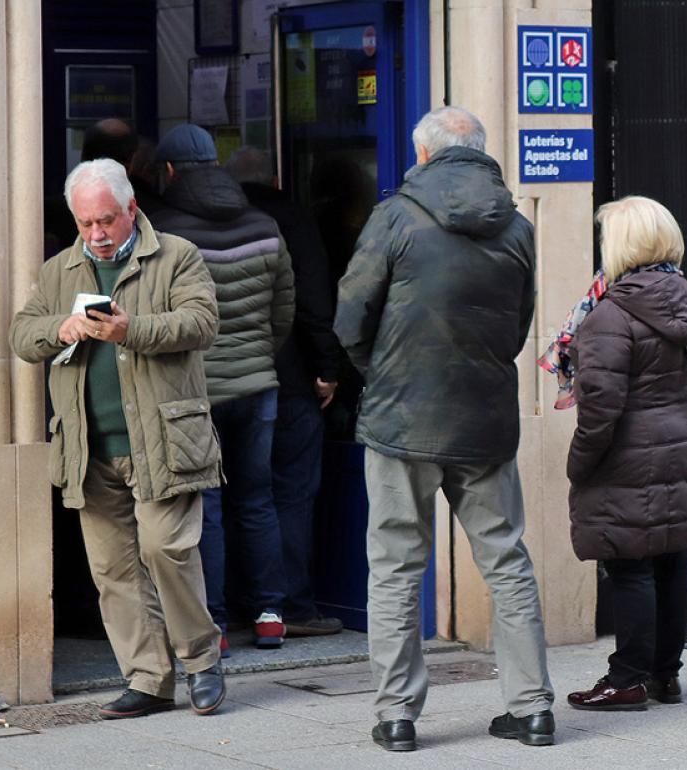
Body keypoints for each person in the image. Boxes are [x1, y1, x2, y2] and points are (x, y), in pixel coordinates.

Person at [335, 106, 554, 751]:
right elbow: (519, 324)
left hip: (402, 415)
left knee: (397, 567)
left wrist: (382, 372)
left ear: (423, 155)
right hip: (484, 417)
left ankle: (398, 716)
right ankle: (533, 706)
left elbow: (351, 316)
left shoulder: (395, 214)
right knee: (507, 560)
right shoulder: (515, 224)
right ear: (479, 154)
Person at [9, 158, 226, 719]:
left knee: (166, 550)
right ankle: (149, 678)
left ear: (132, 208)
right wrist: (59, 327)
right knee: (113, 569)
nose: (97, 235)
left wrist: (135, 330)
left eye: (106, 220)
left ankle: (201, 661)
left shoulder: (176, 255)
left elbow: (202, 322)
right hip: (89, 446)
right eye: (85, 224)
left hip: (161, 438)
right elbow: (21, 334)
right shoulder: (60, 270)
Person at [148, 124, 295, 652]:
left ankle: (212, 620)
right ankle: (270, 613)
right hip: (259, 387)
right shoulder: (264, 224)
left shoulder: (162, 233)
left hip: (195, 392)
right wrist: (257, 358)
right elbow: (283, 312)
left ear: (167, 172)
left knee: (203, 506)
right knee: (258, 500)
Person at [560, 196, 687, 712]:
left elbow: (599, 408)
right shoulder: (682, 299)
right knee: (669, 558)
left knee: (630, 568)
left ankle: (626, 679)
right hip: (676, 445)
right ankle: (665, 675)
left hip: (628, 455)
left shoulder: (610, 315)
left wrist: (578, 463)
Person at [229, 147, 345, 637]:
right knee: (292, 494)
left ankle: (243, 605)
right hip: (292, 376)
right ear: (276, 177)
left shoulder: (205, 219)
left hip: (229, 382)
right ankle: (291, 607)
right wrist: (327, 366)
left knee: (240, 495)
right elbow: (313, 298)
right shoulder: (291, 218)